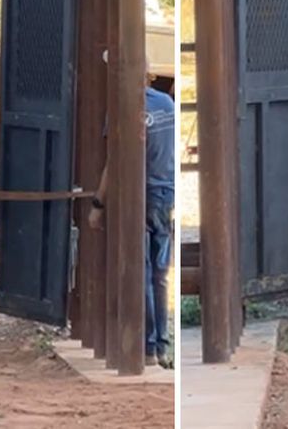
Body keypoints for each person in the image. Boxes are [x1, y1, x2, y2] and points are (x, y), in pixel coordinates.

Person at [89, 56, 176, 368]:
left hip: (139, 196)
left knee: (140, 271)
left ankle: (148, 347)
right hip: (166, 193)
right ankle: (163, 345)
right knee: (161, 273)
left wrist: (98, 205)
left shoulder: (122, 110)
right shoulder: (167, 103)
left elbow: (114, 164)